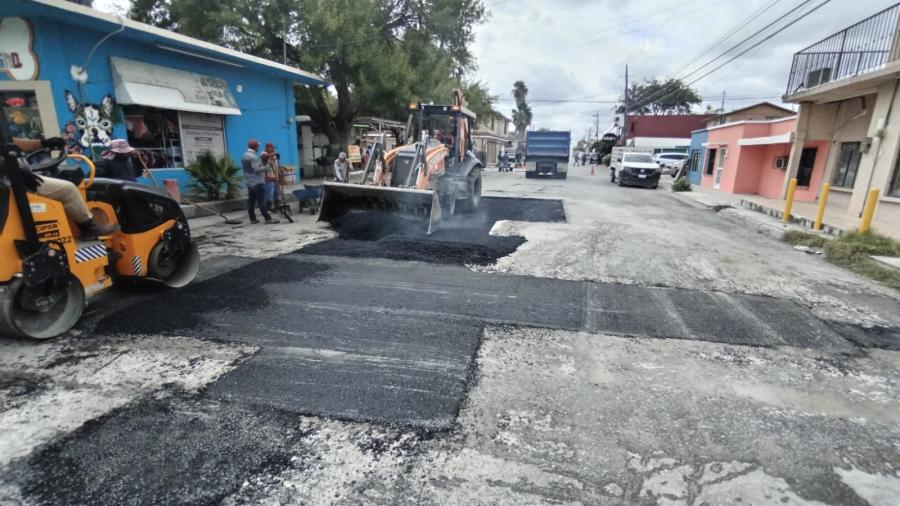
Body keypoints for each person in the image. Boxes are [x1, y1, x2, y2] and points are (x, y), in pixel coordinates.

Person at [1, 136, 117, 239]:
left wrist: (43, 143)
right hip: (14, 182)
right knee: (68, 190)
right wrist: (19, 173)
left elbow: (10, 143)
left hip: (16, 178)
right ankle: (89, 229)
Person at [242, 139, 279, 224]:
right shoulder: (253, 157)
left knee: (251, 201)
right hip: (257, 182)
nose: (258, 147)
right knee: (261, 201)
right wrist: (267, 166)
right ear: (255, 147)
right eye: (258, 146)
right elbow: (257, 169)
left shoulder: (245, 155)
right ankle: (268, 218)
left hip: (249, 181)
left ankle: (252, 219)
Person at [262, 143, 280, 211]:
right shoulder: (263, 153)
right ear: (267, 148)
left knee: (277, 192)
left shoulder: (274, 155)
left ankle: (277, 205)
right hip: (268, 178)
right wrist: (273, 154)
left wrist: (278, 175)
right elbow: (265, 157)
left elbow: (276, 167)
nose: (273, 149)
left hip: (275, 176)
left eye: (274, 148)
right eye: (272, 148)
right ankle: (268, 207)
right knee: (269, 192)